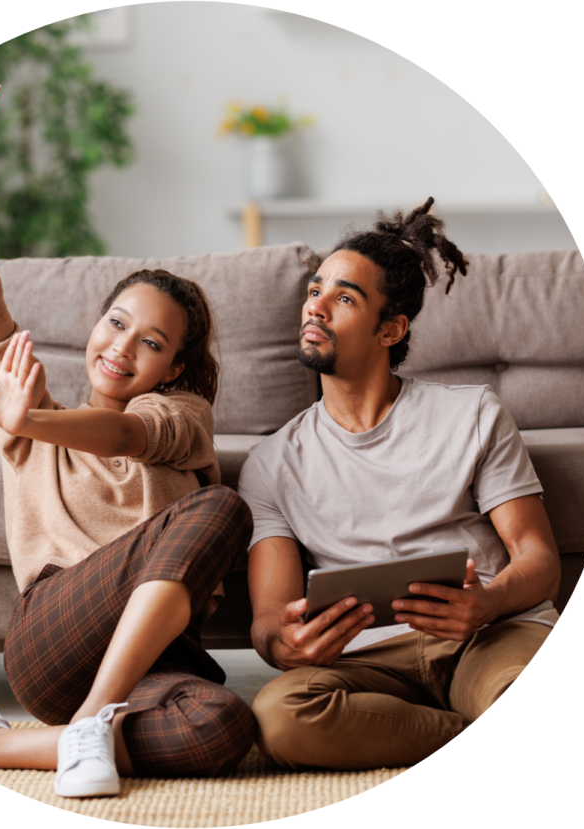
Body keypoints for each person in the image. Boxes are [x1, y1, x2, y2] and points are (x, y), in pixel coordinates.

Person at [0, 85, 255, 796]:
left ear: (174, 366)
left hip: (156, 656)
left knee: (225, 726)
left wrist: (28, 418)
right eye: (116, 322)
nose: (123, 347)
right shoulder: (31, 416)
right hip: (52, 642)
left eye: (151, 342)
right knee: (224, 510)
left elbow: (127, 432)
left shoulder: (183, 418)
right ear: (96, 325)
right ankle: (88, 720)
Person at [238, 198, 562, 770]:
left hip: (486, 636)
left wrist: (485, 605)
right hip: (368, 660)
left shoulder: (472, 415)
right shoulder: (271, 462)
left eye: (343, 298)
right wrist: (280, 643)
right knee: (278, 719)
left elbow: (538, 559)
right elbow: (269, 615)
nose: (315, 308)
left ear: (391, 328)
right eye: (315, 291)